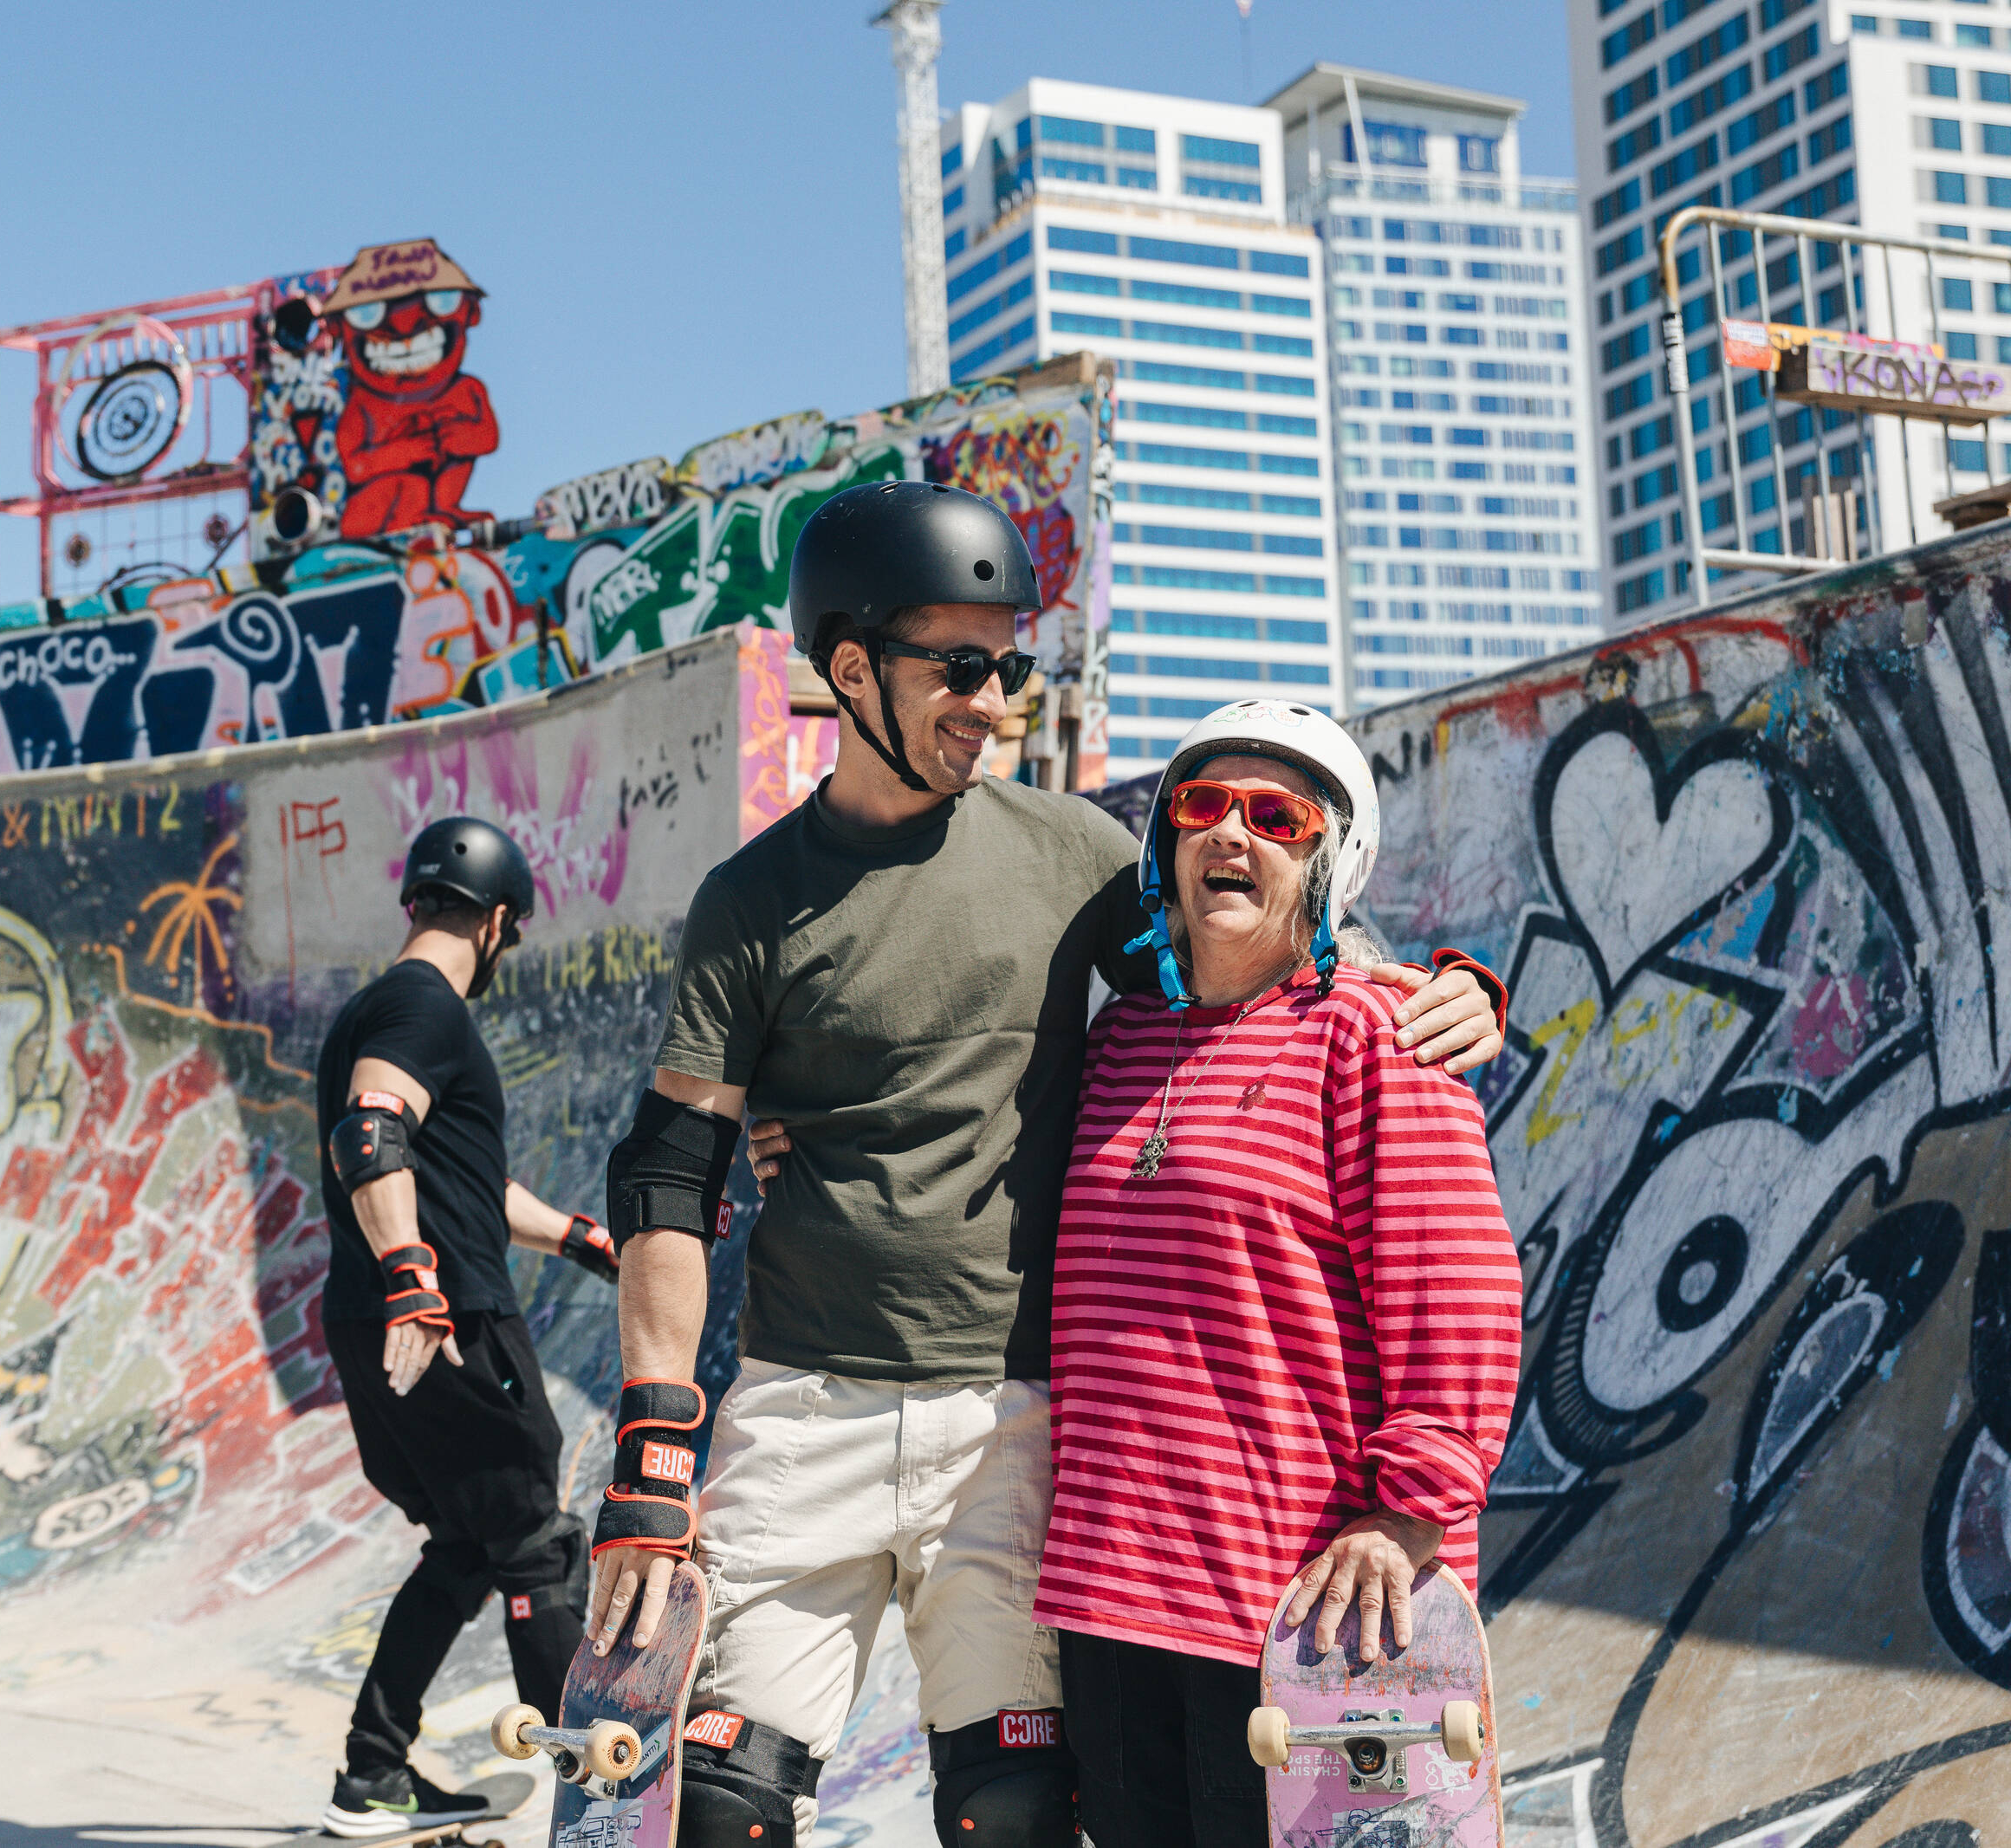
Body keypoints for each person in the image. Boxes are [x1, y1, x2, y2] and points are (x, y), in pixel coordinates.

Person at [582, 481, 1508, 1848]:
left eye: (1008, 669)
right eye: (960, 668)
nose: (994, 702)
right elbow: (671, 1168)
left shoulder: (1076, 858)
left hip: (1009, 1424)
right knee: (725, 1811)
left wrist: (1453, 987)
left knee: (1012, 1814)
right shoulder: (753, 900)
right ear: (852, 669)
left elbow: (1258, 955)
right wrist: (654, 1445)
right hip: (814, 1404)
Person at [1034, 699, 1524, 1848]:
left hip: (1293, 1613)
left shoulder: (1376, 1034)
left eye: (1275, 816)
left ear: (1328, 859)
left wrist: (1410, 1513)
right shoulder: (1118, 1042)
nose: (1228, 833)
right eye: (1203, 807)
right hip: (1108, 1597)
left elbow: (1456, 1288)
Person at [315, 816, 625, 1838]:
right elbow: (372, 1132)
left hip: (369, 1323)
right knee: (534, 1539)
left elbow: (451, 1178)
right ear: (495, 922)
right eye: (511, 934)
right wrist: (415, 1276)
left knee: (462, 1545)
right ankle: (596, 1803)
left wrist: (578, 1238)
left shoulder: (373, 1009)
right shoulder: (424, 1008)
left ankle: (372, 1775)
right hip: (447, 1325)